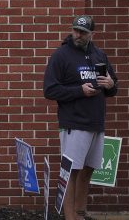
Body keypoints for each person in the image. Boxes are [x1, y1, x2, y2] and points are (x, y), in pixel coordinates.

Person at [44, 15, 117, 220]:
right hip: (74, 124)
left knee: (88, 171)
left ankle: (80, 213)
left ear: (92, 34)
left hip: (96, 123)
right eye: (75, 30)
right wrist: (79, 91)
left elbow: (112, 87)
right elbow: (49, 90)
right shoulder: (61, 55)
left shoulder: (99, 55)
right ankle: (70, 217)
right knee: (71, 174)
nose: (78, 35)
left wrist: (111, 85)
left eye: (83, 32)